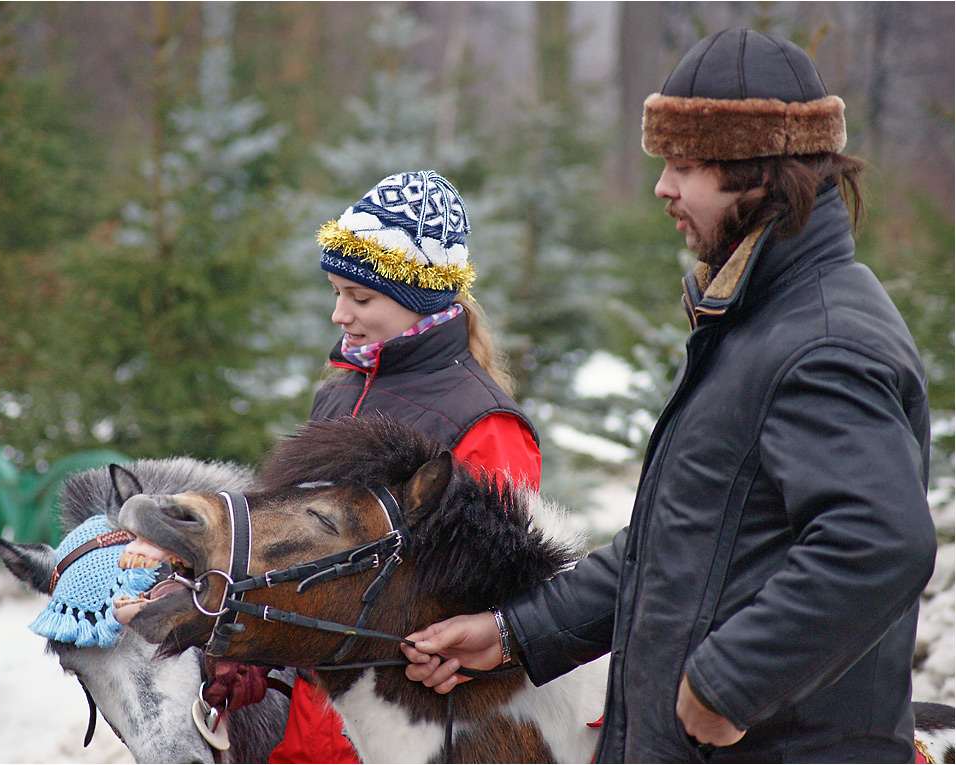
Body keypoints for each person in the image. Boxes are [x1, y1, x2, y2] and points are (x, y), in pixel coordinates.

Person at [401, 28, 936, 763]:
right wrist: (513, 633)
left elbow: (878, 543)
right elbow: (673, 553)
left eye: (684, 166)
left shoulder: (822, 341)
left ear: (759, 173)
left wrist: (730, 682)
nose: (663, 188)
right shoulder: (754, 325)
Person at [268, 170, 542, 763]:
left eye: (361, 298)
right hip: (316, 717)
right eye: (336, 293)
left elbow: (507, 600)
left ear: (419, 297)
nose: (340, 314)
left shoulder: (483, 422)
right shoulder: (339, 393)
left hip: (412, 724)